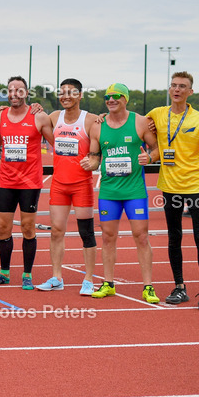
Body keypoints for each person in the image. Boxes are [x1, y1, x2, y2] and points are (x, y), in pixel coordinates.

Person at [146, 71, 199, 311]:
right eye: (173, 85)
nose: (177, 89)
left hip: (195, 187)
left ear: (190, 92)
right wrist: (104, 116)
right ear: (169, 90)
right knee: (174, 237)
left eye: (182, 86)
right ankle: (179, 287)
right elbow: (131, 120)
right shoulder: (158, 114)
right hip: (169, 187)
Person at [81, 84, 159, 303]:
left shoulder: (141, 121)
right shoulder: (98, 126)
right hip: (108, 191)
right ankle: (108, 283)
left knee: (141, 237)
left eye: (116, 96)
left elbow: (156, 148)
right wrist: (91, 163)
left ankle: (148, 286)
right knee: (107, 237)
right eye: (107, 97)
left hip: (134, 191)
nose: (111, 100)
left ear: (125, 99)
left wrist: (150, 158)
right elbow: (95, 156)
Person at [0, 76, 54, 290]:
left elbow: (57, 142)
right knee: (3, 227)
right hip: (6, 181)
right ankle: (4, 273)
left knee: (27, 227)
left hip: (29, 183)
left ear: (26, 92)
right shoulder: (0, 116)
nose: (14, 94)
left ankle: (27, 274)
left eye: (19, 90)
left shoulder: (39, 117)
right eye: (11, 90)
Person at [36, 79, 99, 294]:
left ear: (80, 95)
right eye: (62, 93)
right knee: (56, 232)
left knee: (86, 233)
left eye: (71, 93)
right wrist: (36, 107)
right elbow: (34, 118)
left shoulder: (90, 120)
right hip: (59, 185)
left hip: (82, 185)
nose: (66, 96)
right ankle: (56, 277)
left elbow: (96, 154)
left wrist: (93, 162)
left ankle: (89, 280)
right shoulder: (54, 117)